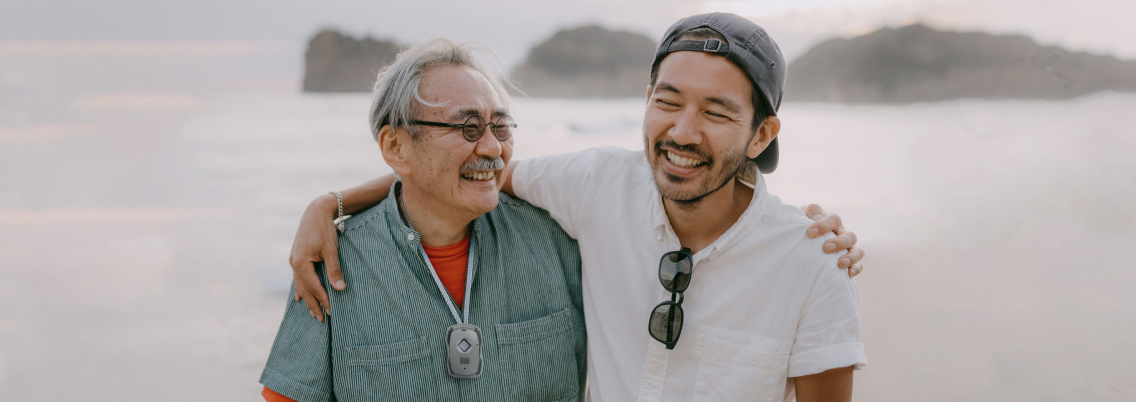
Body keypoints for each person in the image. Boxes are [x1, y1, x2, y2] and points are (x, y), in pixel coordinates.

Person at [288, 13, 868, 401]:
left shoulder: (813, 262)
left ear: (762, 134)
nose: (682, 132)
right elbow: (471, 171)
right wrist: (332, 202)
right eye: (668, 102)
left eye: (716, 114)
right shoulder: (598, 184)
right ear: (647, 101)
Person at [259, 38, 587, 402]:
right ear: (396, 147)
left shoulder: (558, 240)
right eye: (469, 127)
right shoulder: (333, 263)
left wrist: (331, 202)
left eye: (501, 126)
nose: (493, 147)